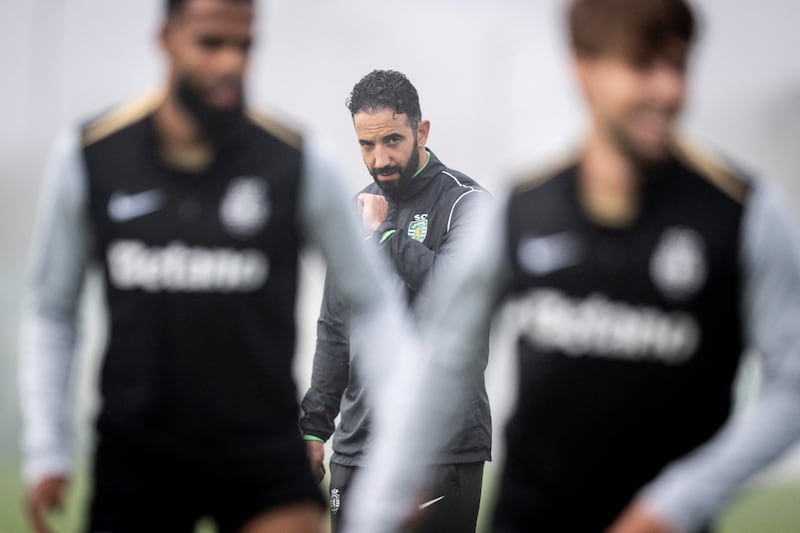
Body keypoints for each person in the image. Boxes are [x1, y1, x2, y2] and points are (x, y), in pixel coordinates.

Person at [343, 1, 800, 532]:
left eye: (677, 67)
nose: (668, 90)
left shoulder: (744, 213)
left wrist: (675, 504)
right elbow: (444, 366)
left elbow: (790, 387)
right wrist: (382, 503)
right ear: (584, 69)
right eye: (642, 66)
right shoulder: (522, 209)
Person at [18, 1, 416, 532]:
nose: (230, 63)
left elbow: (373, 304)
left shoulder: (296, 161)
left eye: (244, 45)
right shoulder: (92, 155)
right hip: (138, 455)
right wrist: (47, 447)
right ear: (167, 39)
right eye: (211, 43)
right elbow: (51, 307)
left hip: (261, 454)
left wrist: (404, 450)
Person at [298, 69, 491, 533]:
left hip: (441, 447)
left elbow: (456, 297)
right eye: (367, 145)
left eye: (392, 141)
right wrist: (314, 428)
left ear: (421, 131)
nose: (379, 159)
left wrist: (384, 236)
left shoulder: (466, 204)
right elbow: (334, 327)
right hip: (357, 447)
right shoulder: (354, 211)